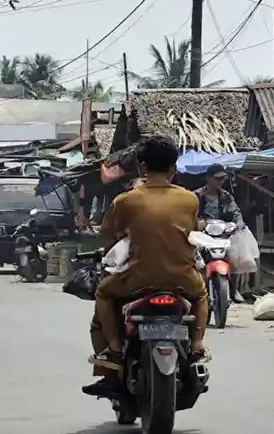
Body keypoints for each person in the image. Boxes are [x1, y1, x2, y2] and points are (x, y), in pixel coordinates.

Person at [84, 136, 209, 397]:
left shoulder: (125, 201)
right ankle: (196, 346)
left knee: (104, 295)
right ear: (174, 169)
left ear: (141, 168)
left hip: (137, 280)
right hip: (182, 279)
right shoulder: (189, 200)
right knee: (200, 295)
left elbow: (111, 235)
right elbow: (192, 229)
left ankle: (115, 352)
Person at [194, 164, 247, 302]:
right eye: (218, 178)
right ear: (208, 178)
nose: (221, 181)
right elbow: (188, 214)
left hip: (222, 234)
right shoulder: (196, 195)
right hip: (202, 234)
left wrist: (239, 223)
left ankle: (233, 289)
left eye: (223, 178)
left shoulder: (226, 196)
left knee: (234, 256)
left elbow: (236, 212)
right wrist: (196, 223)